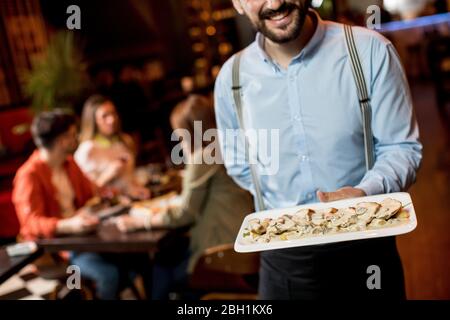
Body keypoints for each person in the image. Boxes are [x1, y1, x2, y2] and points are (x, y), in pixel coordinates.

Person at [214, 0, 422, 299]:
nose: (274, 4)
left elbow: (401, 147)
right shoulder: (230, 79)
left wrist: (363, 193)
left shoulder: (368, 51)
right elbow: (238, 163)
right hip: (283, 264)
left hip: (365, 252)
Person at [115, 95, 255, 299]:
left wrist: (141, 221)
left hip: (222, 251)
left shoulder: (202, 158)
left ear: (188, 131)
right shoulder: (229, 146)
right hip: (245, 242)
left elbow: (184, 214)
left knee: (161, 268)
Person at [12, 111, 133, 300]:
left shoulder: (68, 163)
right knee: (109, 275)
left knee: (134, 263)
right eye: (73, 134)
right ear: (62, 140)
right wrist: (69, 224)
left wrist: (125, 193)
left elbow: (93, 191)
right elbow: (30, 223)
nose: (77, 137)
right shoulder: (28, 175)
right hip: (57, 252)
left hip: (87, 240)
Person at [75, 95, 149, 200]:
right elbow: (86, 193)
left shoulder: (125, 140)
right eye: (104, 116)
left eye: (113, 113)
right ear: (93, 120)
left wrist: (136, 188)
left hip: (134, 202)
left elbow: (129, 180)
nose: (111, 119)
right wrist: (108, 174)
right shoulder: (87, 150)